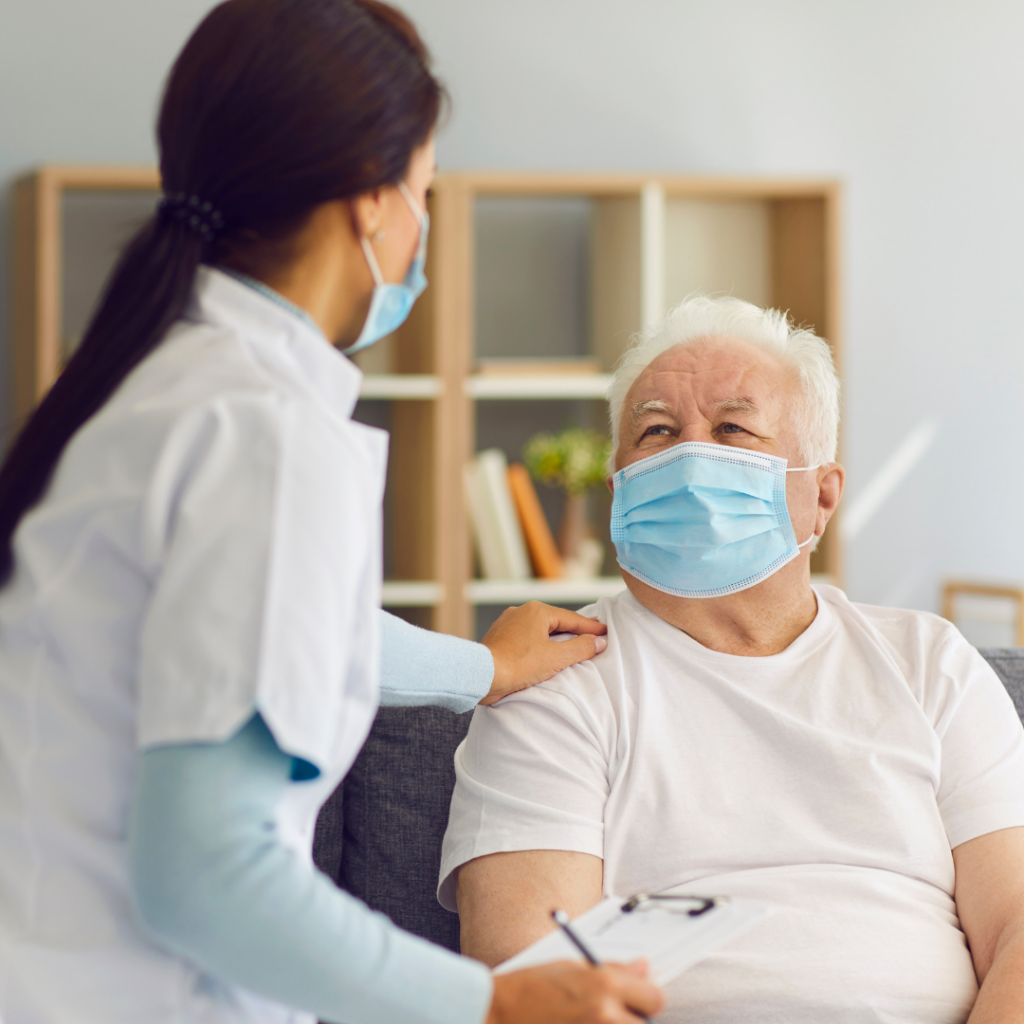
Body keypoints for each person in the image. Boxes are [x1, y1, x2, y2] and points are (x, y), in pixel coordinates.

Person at [0, 2, 665, 1023]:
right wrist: (495, 1002)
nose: (422, 227)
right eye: (426, 190)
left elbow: (272, 630)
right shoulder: (264, 435)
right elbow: (209, 878)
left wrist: (482, 670)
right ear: (372, 203)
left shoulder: (164, 391)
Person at [441, 295, 1024, 1023]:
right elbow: (529, 981)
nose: (690, 457)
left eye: (732, 429)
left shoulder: (930, 662)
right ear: (617, 487)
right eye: (655, 431)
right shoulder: (554, 677)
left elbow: (1018, 934)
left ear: (822, 497)